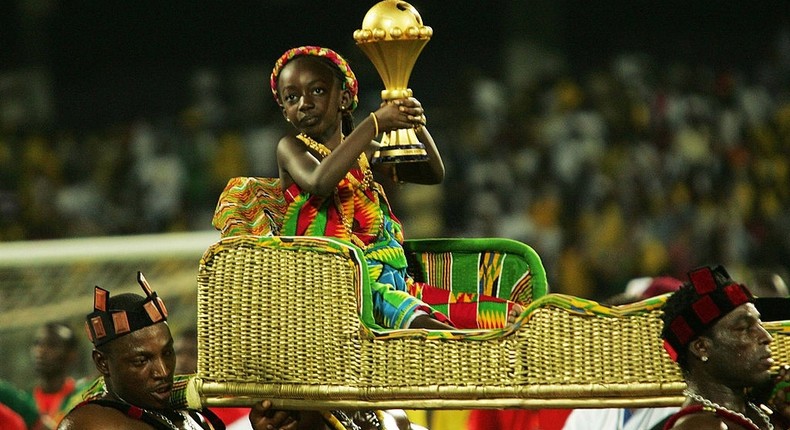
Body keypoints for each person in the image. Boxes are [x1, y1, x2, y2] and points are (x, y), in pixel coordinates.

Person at [267, 45, 522, 330]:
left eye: (317, 91)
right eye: (292, 97)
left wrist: (413, 123)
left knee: (506, 315)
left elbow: (431, 172)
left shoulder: (366, 150)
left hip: (395, 282)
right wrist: (375, 123)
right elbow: (319, 182)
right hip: (345, 289)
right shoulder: (290, 148)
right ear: (285, 111)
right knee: (432, 328)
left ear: (344, 98)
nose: (304, 103)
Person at [57, 272, 301, 430]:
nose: (162, 371)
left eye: (167, 353)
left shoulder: (184, 413)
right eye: (142, 360)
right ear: (102, 363)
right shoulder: (93, 424)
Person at [660, 264, 790, 430]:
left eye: (760, 324)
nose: (766, 337)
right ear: (701, 347)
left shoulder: (764, 414)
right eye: (744, 328)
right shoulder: (700, 426)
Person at [174, 328, 252, 430]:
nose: (182, 360)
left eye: (192, 354)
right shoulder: (165, 408)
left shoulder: (242, 413)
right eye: (178, 352)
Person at [30, 321, 80, 429]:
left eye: (52, 345)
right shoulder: (25, 399)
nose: (41, 351)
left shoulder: (82, 398)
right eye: (38, 343)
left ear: (71, 355)